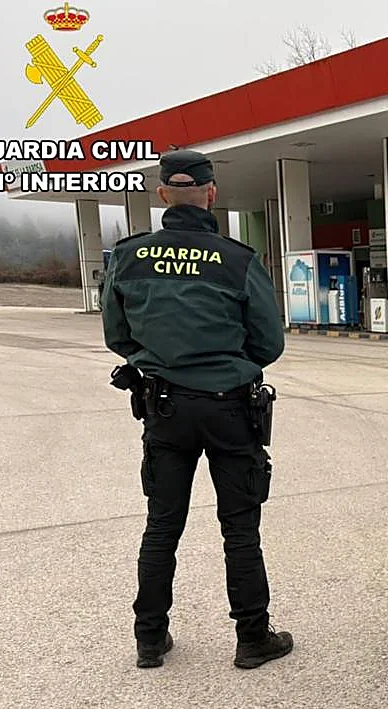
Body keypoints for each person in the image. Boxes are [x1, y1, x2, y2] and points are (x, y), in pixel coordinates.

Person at [101, 149, 293, 670]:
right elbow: (269, 343)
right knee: (240, 528)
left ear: (162, 195)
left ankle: (150, 639)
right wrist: (226, 366)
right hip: (231, 409)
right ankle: (253, 639)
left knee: (162, 524)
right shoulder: (237, 259)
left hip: (164, 409)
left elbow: (117, 336)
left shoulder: (127, 257)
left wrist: (162, 361)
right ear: (211, 195)